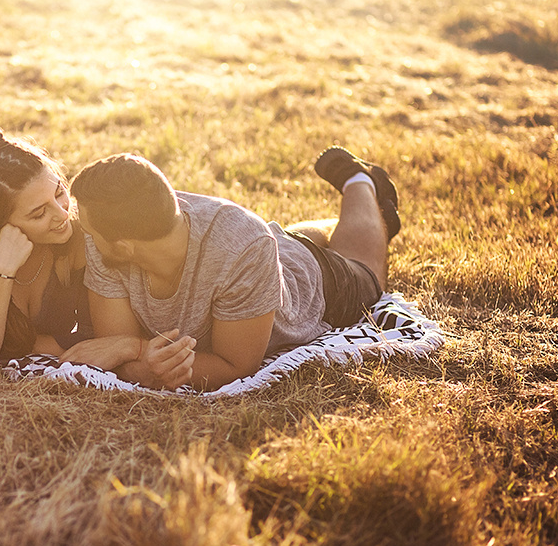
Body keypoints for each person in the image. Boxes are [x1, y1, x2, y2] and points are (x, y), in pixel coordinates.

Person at [69, 146, 400, 392]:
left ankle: (361, 181)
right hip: (259, 249)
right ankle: (299, 234)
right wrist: (131, 353)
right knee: (277, 239)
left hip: (312, 280)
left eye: (90, 232)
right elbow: (113, 344)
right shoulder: (110, 236)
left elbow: (235, 366)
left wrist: (137, 351)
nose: (83, 233)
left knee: (367, 272)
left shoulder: (241, 249)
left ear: (125, 246)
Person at [0, 130, 143, 368]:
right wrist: (2, 268)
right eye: (39, 213)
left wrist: (8, 341)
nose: (62, 214)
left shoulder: (78, 238)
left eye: (58, 193)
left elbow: (94, 336)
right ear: (1, 225)